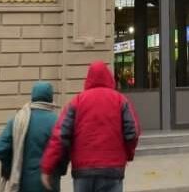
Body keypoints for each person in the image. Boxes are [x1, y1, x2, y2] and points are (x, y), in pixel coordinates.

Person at [42, 61, 141, 192]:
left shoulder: (76, 102)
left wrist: (47, 167)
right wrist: (128, 154)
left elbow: (60, 135)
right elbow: (132, 132)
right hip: (112, 170)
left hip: (83, 172)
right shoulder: (120, 100)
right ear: (109, 77)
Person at [0, 81, 60, 192]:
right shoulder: (57, 121)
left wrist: (10, 167)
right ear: (50, 97)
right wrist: (59, 171)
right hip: (49, 183)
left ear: (33, 96)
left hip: (23, 183)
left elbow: (0, 148)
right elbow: (63, 150)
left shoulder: (18, 119)